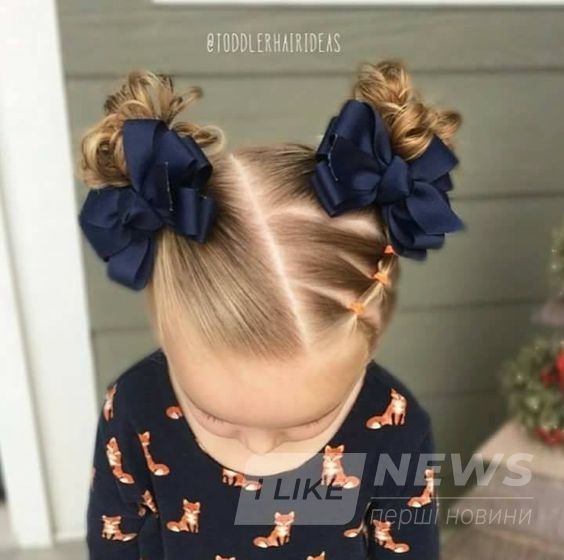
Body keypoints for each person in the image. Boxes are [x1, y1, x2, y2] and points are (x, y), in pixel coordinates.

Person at [79, 59, 463, 560]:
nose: (259, 449)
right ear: (165, 330)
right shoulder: (135, 408)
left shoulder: (393, 426)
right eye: (213, 415)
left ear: (370, 335)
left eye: (306, 423)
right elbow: (114, 540)